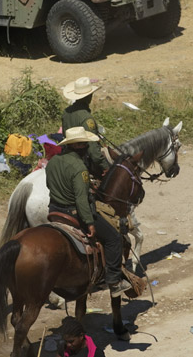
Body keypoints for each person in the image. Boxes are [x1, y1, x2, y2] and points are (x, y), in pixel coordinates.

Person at [45, 126, 130, 297]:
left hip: (54, 210)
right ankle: (114, 281)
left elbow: (49, 185)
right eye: (84, 144)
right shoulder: (79, 167)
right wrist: (89, 223)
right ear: (78, 146)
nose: (86, 147)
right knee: (113, 238)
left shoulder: (52, 161)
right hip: (73, 212)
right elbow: (81, 199)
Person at [62, 77, 109, 178]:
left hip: (68, 154)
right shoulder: (86, 118)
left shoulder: (66, 112)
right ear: (89, 96)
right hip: (84, 160)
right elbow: (93, 150)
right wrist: (105, 167)